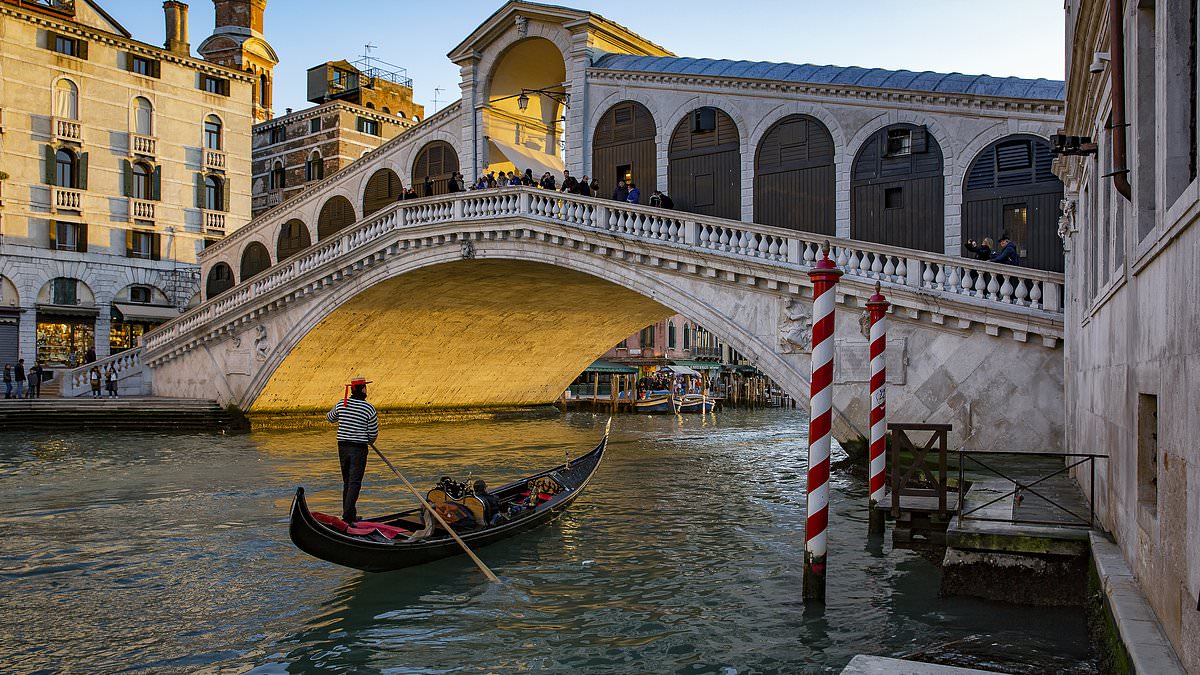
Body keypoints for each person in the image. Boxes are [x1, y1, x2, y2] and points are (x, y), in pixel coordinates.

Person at [325, 377, 380, 525]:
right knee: (354, 482)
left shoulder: (341, 404)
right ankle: (349, 516)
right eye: (365, 388)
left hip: (342, 447)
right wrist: (368, 440)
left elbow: (329, 418)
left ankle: (349, 514)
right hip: (358, 448)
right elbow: (373, 433)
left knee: (347, 481)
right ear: (363, 389)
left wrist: (343, 416)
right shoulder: (368, 408)